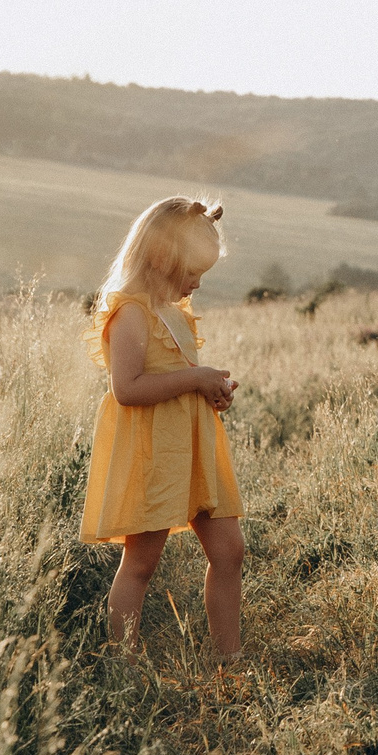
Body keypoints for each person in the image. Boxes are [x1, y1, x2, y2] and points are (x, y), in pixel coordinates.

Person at [81, 196, 247, 661]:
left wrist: (211, 390)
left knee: (230, 551)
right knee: (141, 563)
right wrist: (194, 377)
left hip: (195, 448)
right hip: (154, 454)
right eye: (193, 272)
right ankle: (122, 664)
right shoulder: (131, 311)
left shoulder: (177, 312)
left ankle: (226, 659)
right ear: (162, 258)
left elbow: (176, 378)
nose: (197, 283)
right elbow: (128, 389)